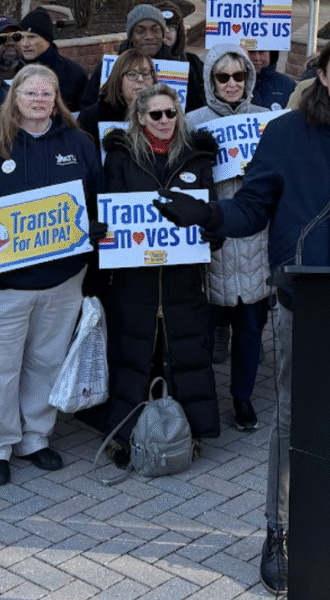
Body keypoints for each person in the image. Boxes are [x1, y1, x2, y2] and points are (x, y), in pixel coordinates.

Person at [154, 32, 330, 593]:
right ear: (321, 75)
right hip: (302, 302)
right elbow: (252, 208)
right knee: (293, 419)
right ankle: (279, 530)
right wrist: (208, 216)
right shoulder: (284, 133)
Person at [0, 64, 103, 487]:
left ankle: (35, 436)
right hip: (3, 285)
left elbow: (96, 198)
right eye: (30, 93)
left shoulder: (78, 143)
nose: (39, 100)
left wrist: (93, 230)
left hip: (62, 281)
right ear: (14, 97)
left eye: (46, 93)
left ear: (57, 100)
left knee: (46, 362)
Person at [101, 84, 221, 466]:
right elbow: (109, 210)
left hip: (183, 277)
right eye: (156, 114)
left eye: (171, 113)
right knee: (133, 357)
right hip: (134, 280)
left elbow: (211, 209)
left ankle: (188, 433)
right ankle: (125, 437)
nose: (165, 120)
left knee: (186, 354)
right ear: (140, 117)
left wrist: (213, 231)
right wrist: (102, 231)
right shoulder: (120, 156)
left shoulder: (196, 155)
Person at [185, 44, 270, 431]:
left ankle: (242, 397)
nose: (232, 83)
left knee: (250, 333)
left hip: (255, 241)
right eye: (223, 76)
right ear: (211, 80)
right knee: (203, 334)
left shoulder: (266, 120)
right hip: (211, 244)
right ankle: (202, 402)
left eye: (239, 75)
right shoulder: (192, 123)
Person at [79, 4, 204, 111]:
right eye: (140, 31)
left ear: (162, 34)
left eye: (155, 30)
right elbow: (87, 108)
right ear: (131, 36)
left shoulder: (181, 69)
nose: (149, 36)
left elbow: (194, 112)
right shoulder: (109, 68)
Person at [76, 48, 155, 146]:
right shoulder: (91, 117)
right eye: (132, 74)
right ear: (118, 81)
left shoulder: (165, 115)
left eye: (146, 74)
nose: (140, 79)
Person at [19, 9, 88, 112]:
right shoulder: (11, 71)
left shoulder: (74, 74)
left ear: (48, 39)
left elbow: (85, 114)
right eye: (20, 37)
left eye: (32, 37)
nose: (25, 44)